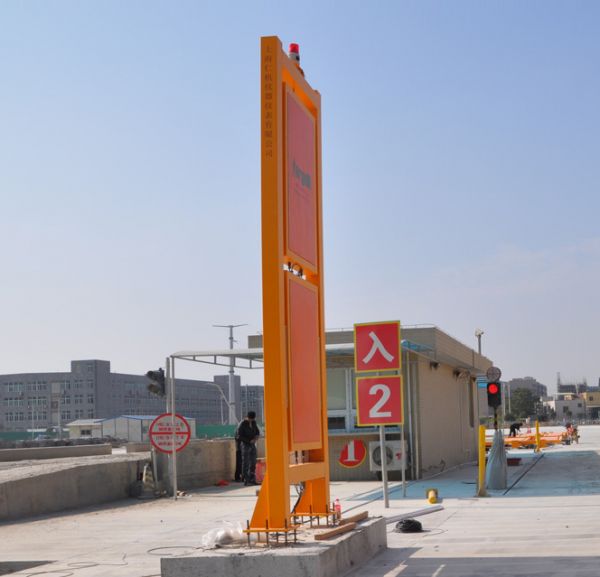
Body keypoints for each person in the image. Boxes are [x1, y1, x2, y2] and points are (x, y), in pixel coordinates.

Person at [236, 410, 260, 486]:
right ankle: (246, 479)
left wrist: (256, 438)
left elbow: (257, 432)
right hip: (245, 444)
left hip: (252, 444)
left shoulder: (254, 422)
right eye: (250, 419)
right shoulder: (242, 424)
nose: (251, 421)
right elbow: (239, 436)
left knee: (253, 461)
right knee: (245, 462)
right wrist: (249, 441)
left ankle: (252, 478)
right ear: (247, 417)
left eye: (252, 419)